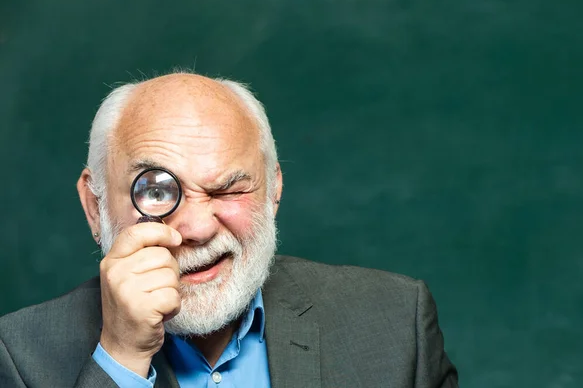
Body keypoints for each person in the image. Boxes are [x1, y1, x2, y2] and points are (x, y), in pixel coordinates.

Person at [0, 72, 458, 387]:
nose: (197, 228)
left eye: (227, 190)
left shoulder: (397, 327)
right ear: (93, 204)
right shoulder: (18, 356)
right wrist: (121, 359)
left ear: (273, 191)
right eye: (158, 192)